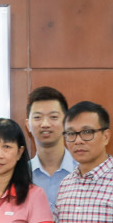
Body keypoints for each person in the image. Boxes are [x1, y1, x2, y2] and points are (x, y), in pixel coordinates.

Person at [25, 86, 75, 216]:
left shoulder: (84, 171)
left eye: (53, 117)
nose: (45, 124)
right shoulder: (20, 174)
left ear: (66, 122)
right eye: (37, 117)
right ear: (28, 125)